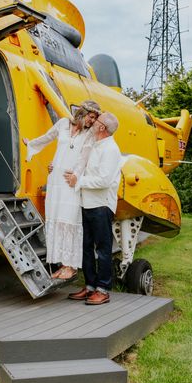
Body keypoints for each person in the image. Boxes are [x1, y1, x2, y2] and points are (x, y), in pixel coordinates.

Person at [23, 101, 100, 280]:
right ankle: (62, 264)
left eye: (95, 118)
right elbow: (47, 138)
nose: (92, 121)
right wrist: (31, 144)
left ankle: (71, 266)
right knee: (56, 220)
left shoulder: (89, 134)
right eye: (91, 116)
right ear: (83, 112)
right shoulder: (63, 124)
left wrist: (77, 177)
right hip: (55, 180)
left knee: (70, 221)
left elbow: (84, 158)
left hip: (70, 181)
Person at [64, 112, 123, 305]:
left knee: (103, 249)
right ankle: (90, 286)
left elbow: (104, 180)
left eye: (96, 120)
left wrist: (78, 181)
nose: (92, 121)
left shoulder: (111, 150)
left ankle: (103, 289)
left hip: (101, 205)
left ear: (102, 127)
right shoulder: (94, 145)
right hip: (86, 203)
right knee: (86, 248)